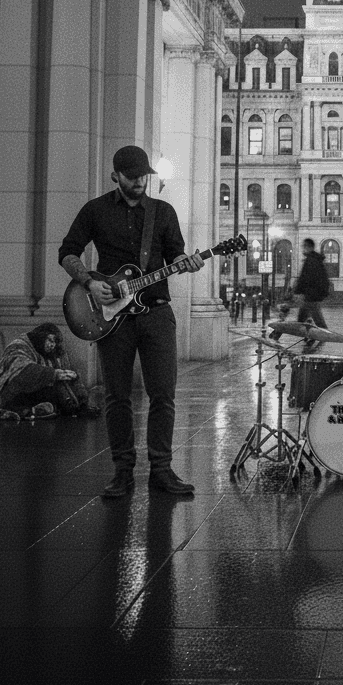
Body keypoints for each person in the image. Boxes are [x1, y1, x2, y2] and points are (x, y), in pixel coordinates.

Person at [60, 145, 204, 498]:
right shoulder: (95, 210)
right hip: (113, 318)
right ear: (116, 176)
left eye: (143, 176)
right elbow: (67, 251)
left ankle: (161, 470)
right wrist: (89, 283)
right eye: (132, 176)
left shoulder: (162, 212)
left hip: (156, 312)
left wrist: (186, 262)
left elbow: (175, 254)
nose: (140, 182)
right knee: (117, 397)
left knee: (163, 395)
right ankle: (122, 472)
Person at [0, 323, 90, 418]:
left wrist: (81, 397)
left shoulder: (53, 351)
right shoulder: (19, 345)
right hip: (13, 394)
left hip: (35, 393)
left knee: (64, 385)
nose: (52, 345)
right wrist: (54, 374)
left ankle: (79, 407)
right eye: (50, 340)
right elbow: (21, 370)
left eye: (55, 343)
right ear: (41, 337)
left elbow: (65, 374)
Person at [291, 238, 334, 349]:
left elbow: (305, 278)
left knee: (314, 319)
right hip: (312, 294)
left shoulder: (311, 260)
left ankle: (322, 335)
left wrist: (297, 291)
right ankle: (311, 336)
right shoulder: (314, 259)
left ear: (309, 247)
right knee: (303, 318)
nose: (303, 249)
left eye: (304, 246)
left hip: (312, 295)